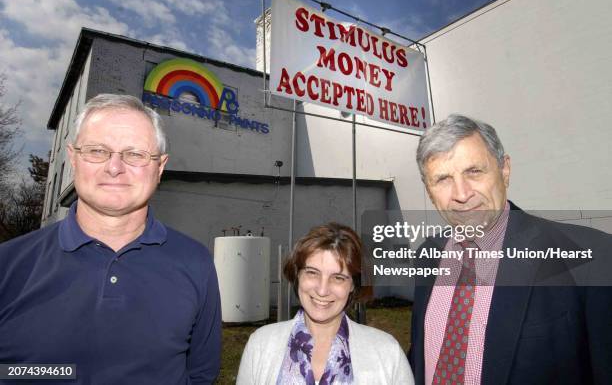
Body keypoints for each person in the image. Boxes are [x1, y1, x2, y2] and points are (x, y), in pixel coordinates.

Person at [0, 94, 221, 384]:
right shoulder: (8, 264)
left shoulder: (196, 262)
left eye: (135, 154)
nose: (114, 167)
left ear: (160, 167)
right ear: (73, 158)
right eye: (97, 151)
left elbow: (201, 374)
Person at [409, 114, 612, 384]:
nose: (461, 193)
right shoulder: (428, 255)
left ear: (504, 170)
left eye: (474, 171)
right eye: (443, 179)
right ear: (429, 191)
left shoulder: (590, 257)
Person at [237, 223, 414, 384]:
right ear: (297, 275)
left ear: (353, 284)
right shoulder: (260, 345)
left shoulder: (387, 354)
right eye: (312, 273)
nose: (322, 290)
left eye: (338, 278)